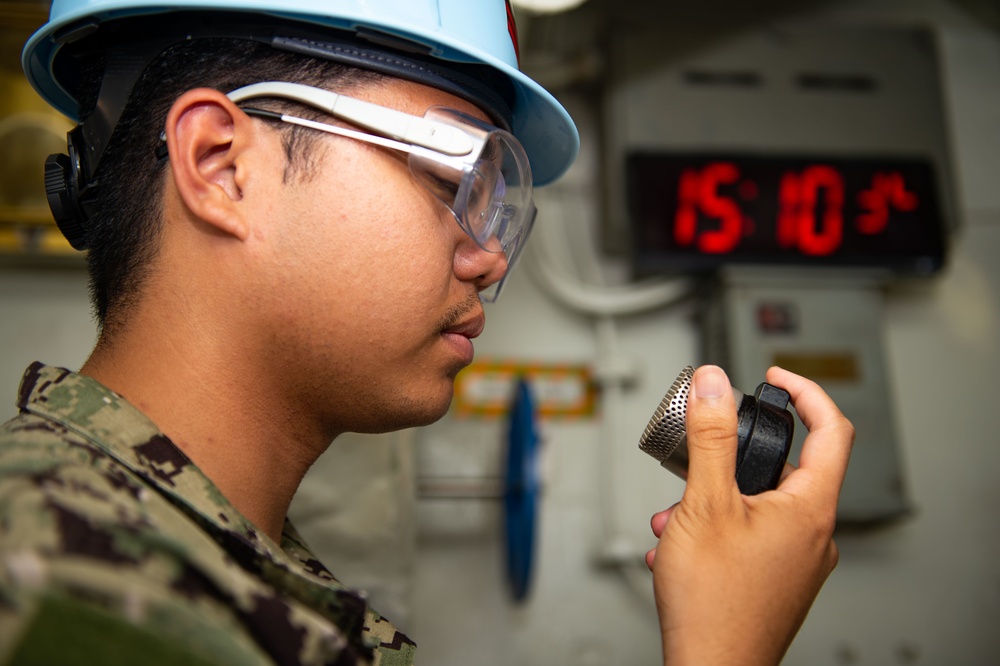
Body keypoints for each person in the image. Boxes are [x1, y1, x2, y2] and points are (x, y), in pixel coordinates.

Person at [0, 1, 854, 664]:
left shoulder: (203, 558)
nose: (488, 259)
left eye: (496, 203)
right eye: (454, 178)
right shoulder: (56, 570)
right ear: (224, 167)